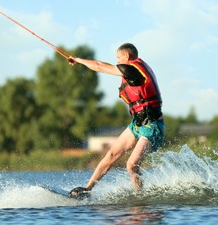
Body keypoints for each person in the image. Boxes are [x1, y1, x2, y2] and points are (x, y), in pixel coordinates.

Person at [67, 43, 165, 198]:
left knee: (131, 166)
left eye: (118, 58)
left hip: (152, 127)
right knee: (111, 154)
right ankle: (87, 189)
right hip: (137, 125)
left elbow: (99, 66)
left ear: (126, 56)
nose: (117, 61)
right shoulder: (135, 70)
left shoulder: (132, 70)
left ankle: (141, 198)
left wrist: (78, 60)